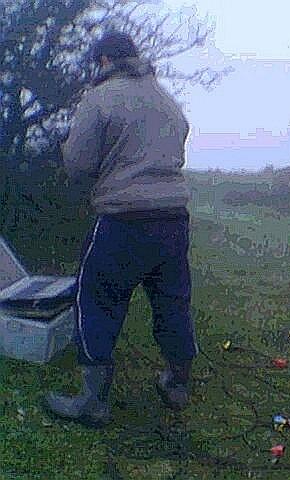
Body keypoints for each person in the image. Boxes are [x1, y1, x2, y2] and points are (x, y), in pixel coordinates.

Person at [45, 31, 198, 427]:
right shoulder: (167, 101)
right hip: (173, 218)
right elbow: (178, 144)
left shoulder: (100, 97)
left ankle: (92, 401)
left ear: (104, 61)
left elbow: (78, 164)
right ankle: (177, 383)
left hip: (122, 219)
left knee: (97, 298)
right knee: (172, 299)